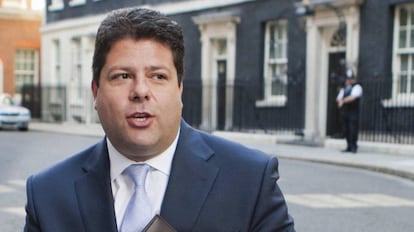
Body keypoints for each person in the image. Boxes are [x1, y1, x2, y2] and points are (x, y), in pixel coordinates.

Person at [24, 7, 295, 232]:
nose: (141, 91)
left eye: (158, 76)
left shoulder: (250, 180)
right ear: (95, 92)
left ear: (179, 89)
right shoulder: (47, 194)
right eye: (122, 76)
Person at [336, 68, 363, 153]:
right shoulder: (344, 88)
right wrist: (341, 100)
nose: (349, 80)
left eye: (350, 78)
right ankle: (348, 146)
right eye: (348, 78)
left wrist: (343, 101)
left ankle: (353, 146)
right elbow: (338, 98)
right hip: (345, 112)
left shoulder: (357, 87)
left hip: (353, 112)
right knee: (346, 129)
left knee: (353, 129)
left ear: (353, 79)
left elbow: (353, 97)